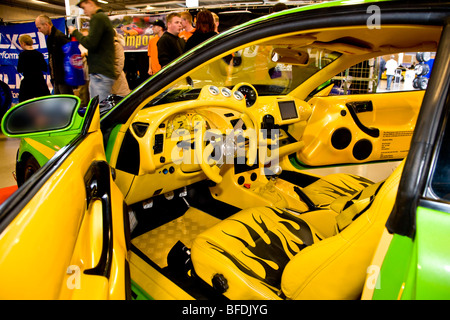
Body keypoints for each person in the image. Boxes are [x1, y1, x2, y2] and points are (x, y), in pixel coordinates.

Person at [68, 0, 115, 102]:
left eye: (84, 8)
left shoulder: (97, 18)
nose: (84, 12)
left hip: (100, 73)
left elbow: (90, 43)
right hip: (103, 72)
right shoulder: (103, 18)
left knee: (99, 110)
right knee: (100, 108)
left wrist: (75, 32)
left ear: (90, 2)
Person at [35, 15, 74, 95]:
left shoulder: (59, 37)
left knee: (66, 102)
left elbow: (70, 56)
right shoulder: (50, 38)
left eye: (39, 28)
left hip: (63, 78)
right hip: (56, 78)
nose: (39, 31)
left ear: (46, 25)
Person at [17, 34, 50, 102]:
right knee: (45, 101)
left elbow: (19, 69)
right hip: (39, 81)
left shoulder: (22, 55)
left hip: (27, 83)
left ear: (23, 43)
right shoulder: (39, 54)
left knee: (24, 103)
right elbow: (44, 67)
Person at [111, 30, 130, 97]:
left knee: (120, 102)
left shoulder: (116, 45)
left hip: (117, 83)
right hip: (107, 84)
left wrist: (108, 77)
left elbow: (119, 64)